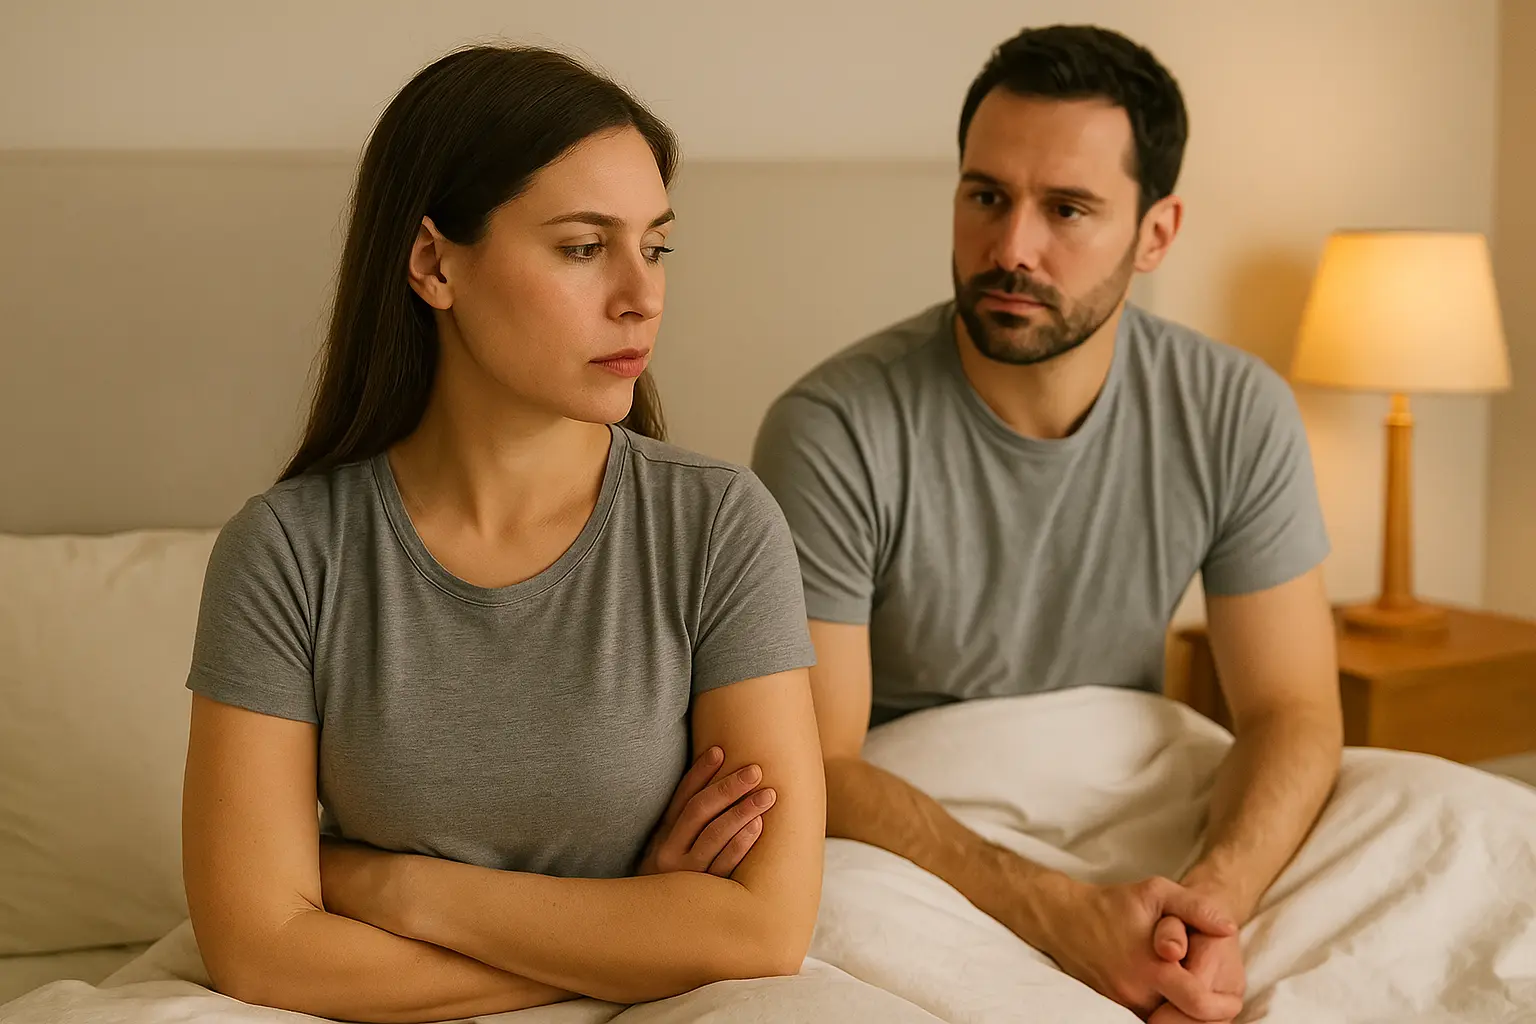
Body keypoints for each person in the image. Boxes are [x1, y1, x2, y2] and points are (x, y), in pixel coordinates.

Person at [181, 45, 825, 1024]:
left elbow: (764, 931)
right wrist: (633, 934)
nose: (642, 295)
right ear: (435, 263)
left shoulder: (718, 527)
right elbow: (261, 954)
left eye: (655, 247)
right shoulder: (288, 552)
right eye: (584, 247)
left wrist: (395, 887)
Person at [752, 24, 1342, 1024]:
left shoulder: (1235, 410)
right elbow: (823, 764)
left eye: (1066, 209)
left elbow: (1294, 711)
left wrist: (1210, 906)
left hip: (1141, 794)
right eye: (986, 197)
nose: (1011, 248)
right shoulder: (834, 428)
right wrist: (1060, 912)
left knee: (1437, 808)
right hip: (920, 841)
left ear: (1156, 233)